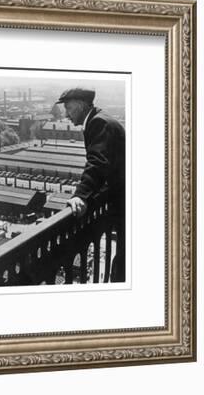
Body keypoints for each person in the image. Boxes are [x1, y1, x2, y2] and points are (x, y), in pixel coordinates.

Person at [56, 88, 126, 282]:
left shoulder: (98, 123)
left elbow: (98, 163)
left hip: (125, 201)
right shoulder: (101, 119)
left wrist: (80, 195)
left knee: (124, 262)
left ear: (79, 106)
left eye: (68, 108)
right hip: (123, 197)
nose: (66, 114)